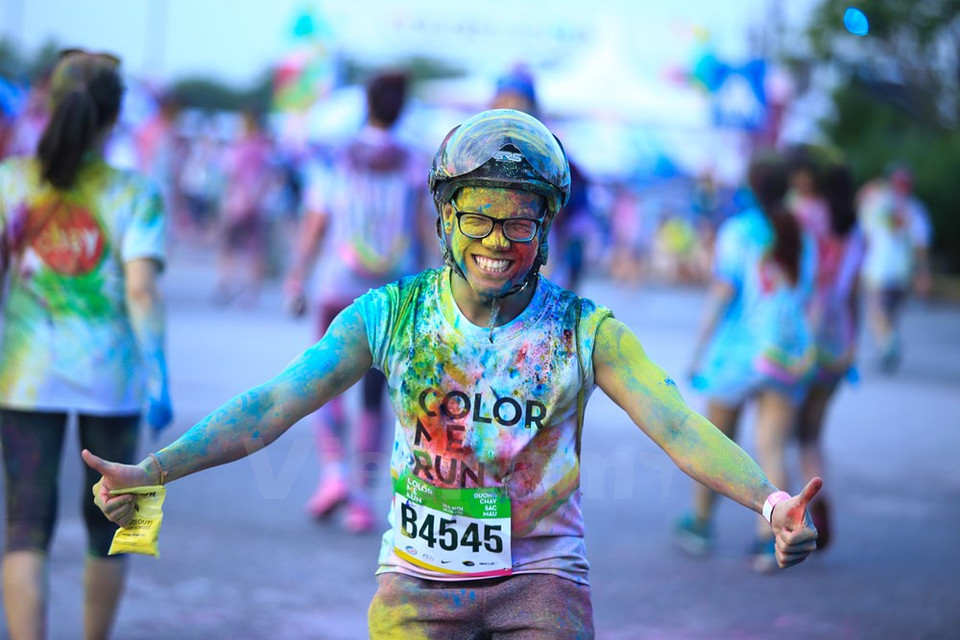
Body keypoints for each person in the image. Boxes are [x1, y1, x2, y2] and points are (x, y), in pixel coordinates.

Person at [85, 110, 819, 638]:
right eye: (478, 219)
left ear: (547, 225)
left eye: (520, 223)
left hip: (543, 588)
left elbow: (680, 426)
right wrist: (154, 469)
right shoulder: (390, 315)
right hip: (415, 587)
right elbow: (272, 404)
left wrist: (770, 501)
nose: (498, 242)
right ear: (444, 216)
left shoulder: (586, 331)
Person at [0, 50, 172, 640]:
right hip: (114, 382)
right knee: (116, 526)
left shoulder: (11, 182)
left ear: (48, 105)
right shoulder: (136, 193)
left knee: (25, 525)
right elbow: (142, 294)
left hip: (23, 378)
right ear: (115, 115)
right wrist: (161, 380)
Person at [283, 70, 430, 533]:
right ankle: (363, 498)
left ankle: (333, 476)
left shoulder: (335, 157)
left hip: (337, 283)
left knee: (325, 380)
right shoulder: (413, 161)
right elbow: (425, 227)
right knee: (374, 394)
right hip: (391, 288)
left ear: (365, 103)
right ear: (402, 108)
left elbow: (316, 220)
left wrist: (296, 276)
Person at [679, 152, 817, 572]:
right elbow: (804, 298)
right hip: (786, 354)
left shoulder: (737, 231)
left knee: (716, 444)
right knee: (772, 446)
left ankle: (700, 525)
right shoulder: (799, 234)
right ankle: (768, 539)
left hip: (737, 355)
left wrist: (698, 350)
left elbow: (722, 294)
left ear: (751, 188)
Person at [794, 160, 865, 551]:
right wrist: (855, 345)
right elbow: (853, 293)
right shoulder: (857, 231)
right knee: (812, 435)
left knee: (788, 432)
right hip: (839, 342)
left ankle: (803, 513)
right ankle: (820, 507)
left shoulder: (806, 216)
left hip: (802, 339)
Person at [857, 163, 933, 372]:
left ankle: (888, 343)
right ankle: (888, 343)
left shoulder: (874, 204)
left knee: (876, 310)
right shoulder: (916, 209)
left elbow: (861, 232)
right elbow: (921, 246)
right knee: (890, 311)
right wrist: (922, 272)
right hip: (903, 271)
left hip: (877, 268)